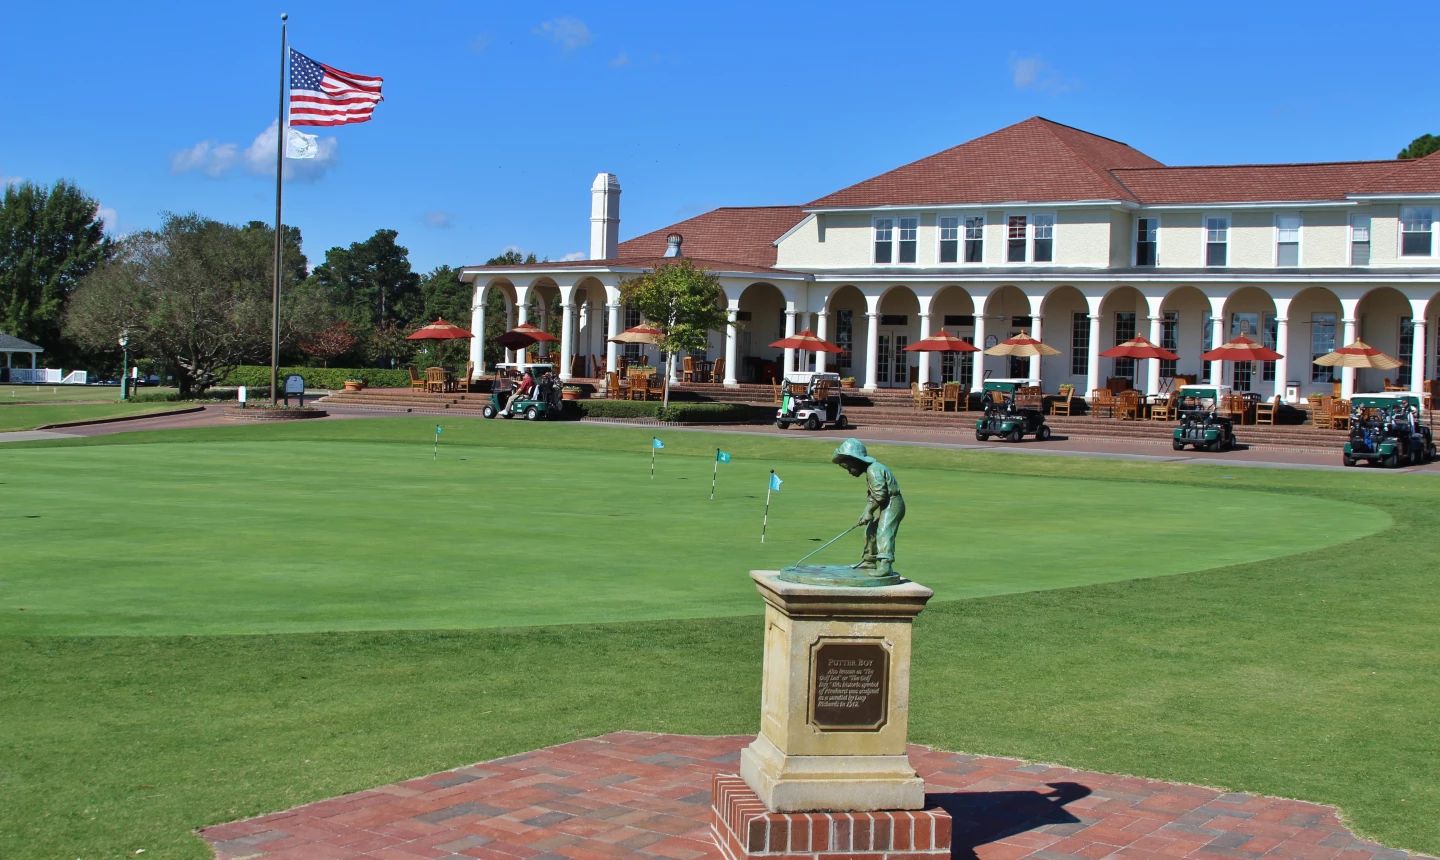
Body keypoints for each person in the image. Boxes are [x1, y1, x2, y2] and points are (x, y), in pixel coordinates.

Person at [830, 438, 904, 577]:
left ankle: (885, 565)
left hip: (893, 503)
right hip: (885, 503)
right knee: (871, 530)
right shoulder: (870, 470)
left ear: (854, 460)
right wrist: (866, 512)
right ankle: (869, 560)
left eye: (848, 467)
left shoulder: (873, 470)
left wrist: (869, 511)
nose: (849, 471)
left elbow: (880, 496)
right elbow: (873, 496)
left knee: (884, 531)